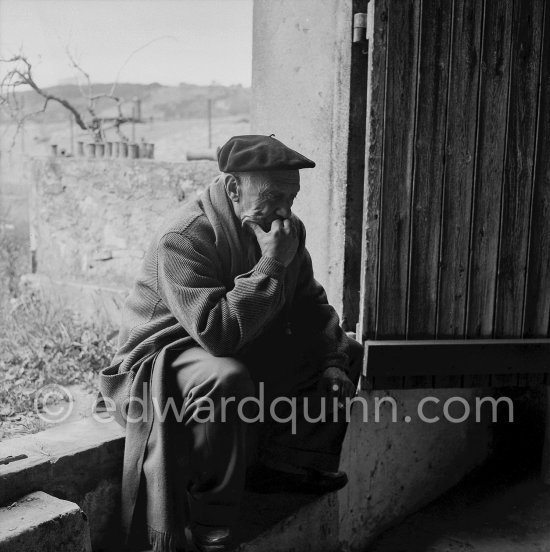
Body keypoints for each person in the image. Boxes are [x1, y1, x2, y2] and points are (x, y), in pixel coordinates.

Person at [99, 135, 364, 552]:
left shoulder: (284, 231)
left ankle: (287, 464)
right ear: (234, 188)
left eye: (291, 198)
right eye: (273, 196)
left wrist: (332, 360)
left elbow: (311, 306)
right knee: (226, 377)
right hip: (160, 363)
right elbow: (217, 334)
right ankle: (210, 523)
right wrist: (272, 263)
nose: (283, 211)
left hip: (236, 345)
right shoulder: (184, 236)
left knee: (346, 349)